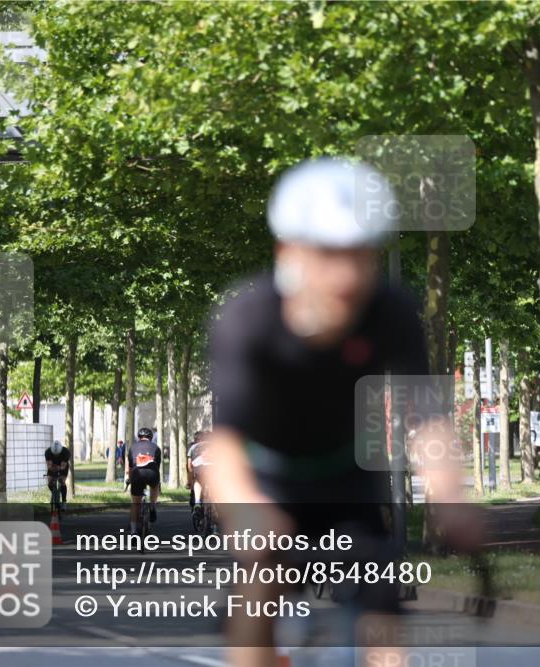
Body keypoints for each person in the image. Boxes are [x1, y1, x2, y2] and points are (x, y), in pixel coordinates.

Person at [200, 158, 475, 667]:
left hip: (346, 480)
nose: (347, 274)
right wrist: (248, 514)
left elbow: (428, 417)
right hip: (268, 478)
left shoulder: (391, 311)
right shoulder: (248, 318)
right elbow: (224, 448)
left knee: (382, 608)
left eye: (361, 255)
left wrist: (451, 495)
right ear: (289, 251)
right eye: (329, 255)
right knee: (260, 580)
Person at [125, 427, 161, 531]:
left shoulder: (132, 448)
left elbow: (130, 468)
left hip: (137, 473)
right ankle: (152, 506)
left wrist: (129, 479)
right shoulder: (156, 447)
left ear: (138, 437)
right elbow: (157, 467)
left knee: (135, 504)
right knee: (155, 486)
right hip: (152, 472)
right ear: (151, 437)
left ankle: (133, 532)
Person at [44, 440, 71, 510]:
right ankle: (54, 493)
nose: (56, 456)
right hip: (53, 466)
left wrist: (59, 469)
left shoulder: (66, 452)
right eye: (54, 455)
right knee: (49, 481)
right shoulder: (48, 452)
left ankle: (64, 502)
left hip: (63, 466)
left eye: (57, 455)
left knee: (62, 481)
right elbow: (49, 466)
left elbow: (63, 466)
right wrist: (52, 473)